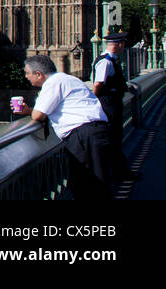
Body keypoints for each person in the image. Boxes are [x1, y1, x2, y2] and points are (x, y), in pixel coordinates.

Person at [16, 54, 114, 201]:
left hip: (84, 135)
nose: (26, 76)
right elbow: (50, 110)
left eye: (27, 73)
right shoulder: (67, 79)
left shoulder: (52, 83)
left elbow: (38, 116)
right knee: (94, 183)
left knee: (88, 186)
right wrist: (28, 110)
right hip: (95, 131)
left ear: (38, 74)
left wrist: (32, 112)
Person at [92, 32, 141, 182]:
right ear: (119, 45)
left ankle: (119, 171)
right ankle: (119, 173)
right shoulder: (106, 62)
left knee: (115, 138)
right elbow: (98, 85)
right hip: (108, 104)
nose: (123, 46)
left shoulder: (111, 60)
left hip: (112, 103)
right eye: (123, 44)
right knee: (113, 138)